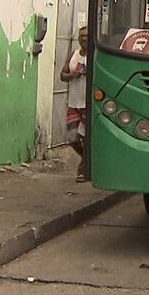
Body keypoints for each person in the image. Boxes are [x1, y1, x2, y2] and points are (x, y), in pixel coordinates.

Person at [62, 26, 90, 183]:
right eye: (81, 36)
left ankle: (83, 169)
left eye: (86, 36)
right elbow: (62, 75)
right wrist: (72, 75)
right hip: (74, 102)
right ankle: (88, 161)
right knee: (72, 138)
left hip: (88, 103)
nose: (84, 39)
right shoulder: (73, 55)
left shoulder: (95, 55)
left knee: (86, 139)